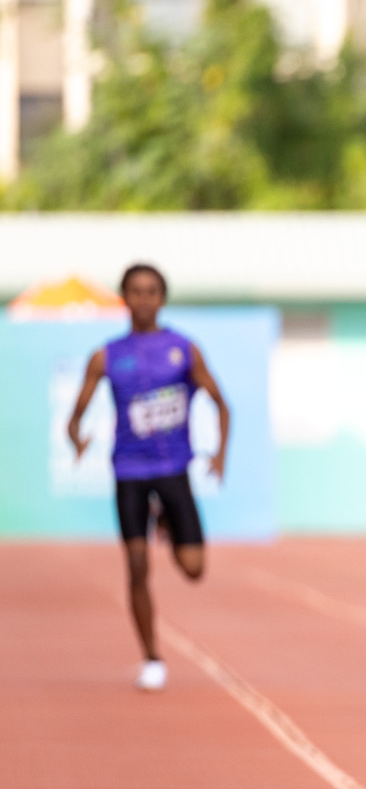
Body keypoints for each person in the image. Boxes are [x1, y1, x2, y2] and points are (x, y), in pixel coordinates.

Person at [66, 264, 231, 692]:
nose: (143, 299)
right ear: (124, 297)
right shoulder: (106, 356)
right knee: (136, 566)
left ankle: (168, 522)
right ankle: (152, 656)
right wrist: (77, 441)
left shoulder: (184, 350)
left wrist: (221, 457)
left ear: (162, 298)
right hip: (129, 471)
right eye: (135, 291)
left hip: (174, 469)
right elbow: (76, 414)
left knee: (193, 569)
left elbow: (220, 403)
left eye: (152, 291)